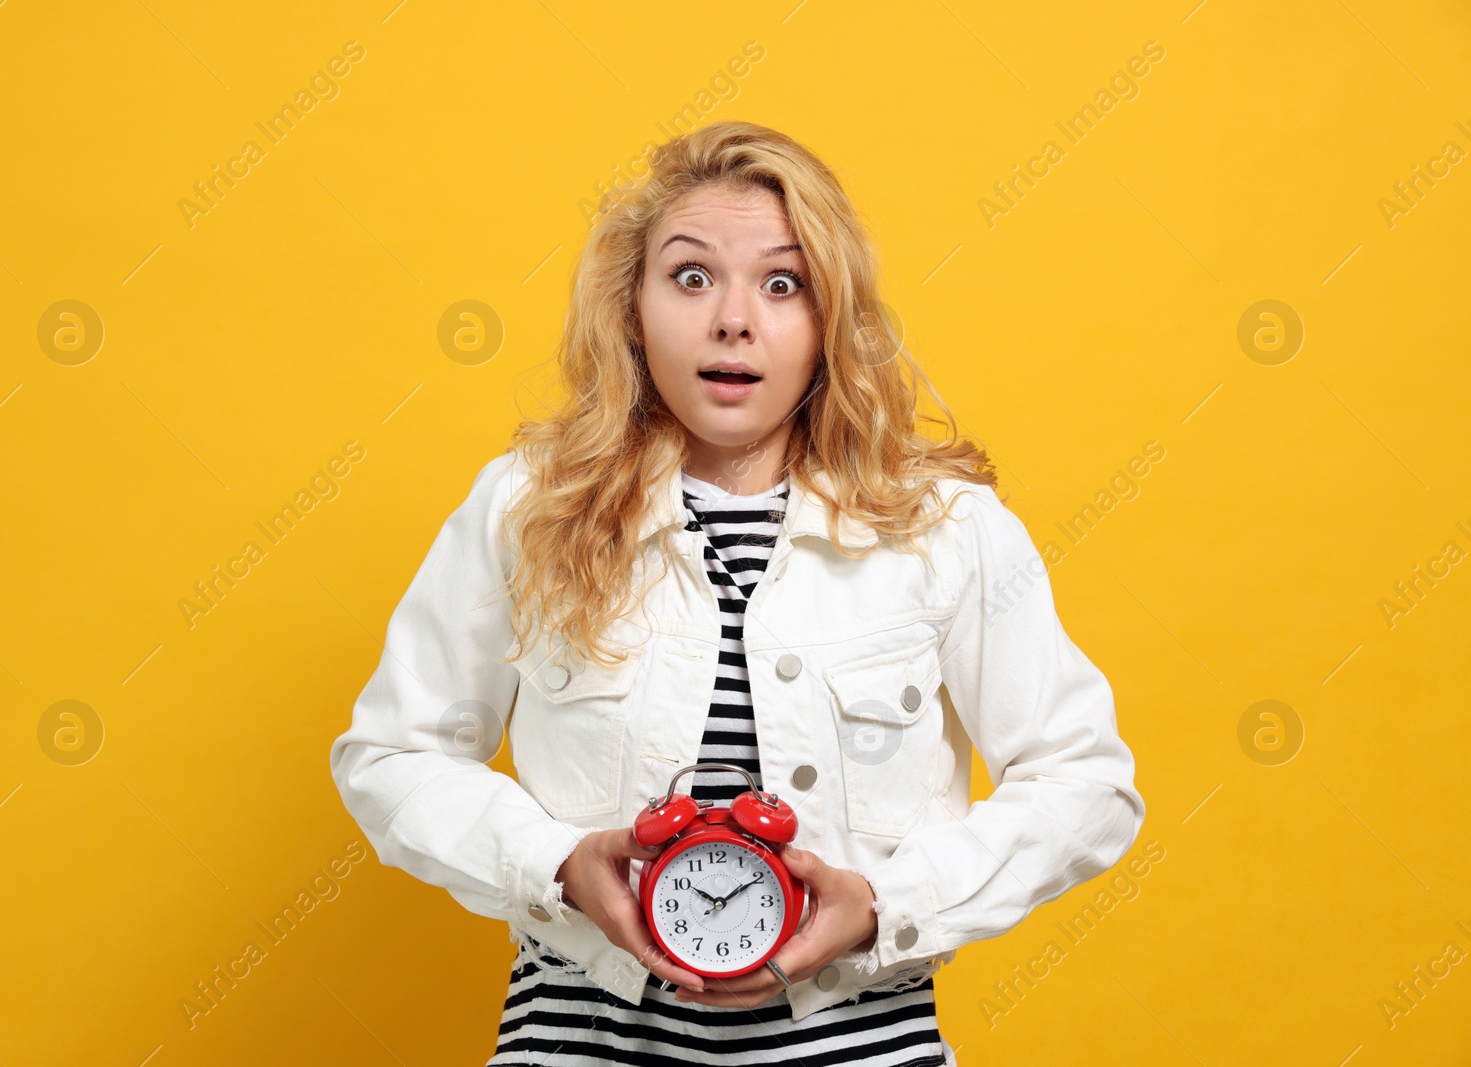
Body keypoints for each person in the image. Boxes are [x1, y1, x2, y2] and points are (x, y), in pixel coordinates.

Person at [330, 120, 1144, 1065]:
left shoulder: (944, 529)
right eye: (691, 276)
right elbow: (392, 753)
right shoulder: (524, 508)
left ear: (830, 318)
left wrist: (887, 904)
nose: (733, 319)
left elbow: (1087, 780)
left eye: (783, 282)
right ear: (631, 309)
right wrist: (553, 864)